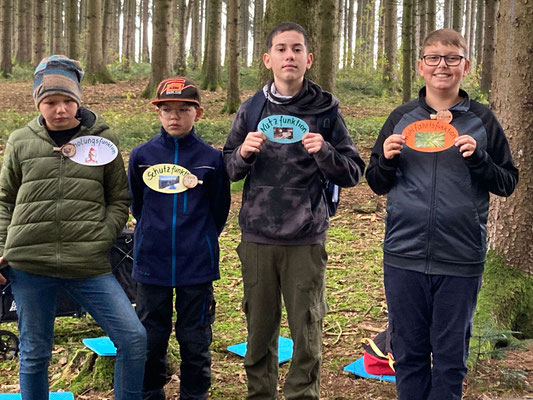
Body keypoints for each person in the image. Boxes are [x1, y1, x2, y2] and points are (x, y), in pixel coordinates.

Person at [365, 29, 519, 400]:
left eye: (452, 58)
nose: (442, 66)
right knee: (408, 355)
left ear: (466, 66)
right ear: (421, 66)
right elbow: (375, 182)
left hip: (460, 258)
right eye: (433, 58)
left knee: (450, 360)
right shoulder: (401, 118)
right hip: (404, 255)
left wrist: (479, 158)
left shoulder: (482, 120)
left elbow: (507, 182)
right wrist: (387, 160)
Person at [223, 22, 365, 400]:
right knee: (258, 331)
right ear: (268, 59)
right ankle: (260, 394)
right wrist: (243, 154)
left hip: (305, 237)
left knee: (306, 329)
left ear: (309, 59)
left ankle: (303, 395)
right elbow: (228, 169)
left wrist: (325, 152)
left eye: (297, 49)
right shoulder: (252, 109)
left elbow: (353, 172)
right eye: (282, 49)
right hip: (258, 236)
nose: (290, 56)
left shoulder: (326, 111)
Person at [0, 55, 147, 400]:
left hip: (87, 266)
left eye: (67, 100)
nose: (60, 109)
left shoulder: (102, 140)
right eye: (50, 101)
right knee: (35, 353)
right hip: (30, 266)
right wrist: (3, 248)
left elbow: (119, 198)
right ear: (38, 103)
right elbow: (5, 199)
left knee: (133, 338)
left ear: (78, 100)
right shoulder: (21, 141)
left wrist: (101, 237)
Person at [128, 77, 230, 400]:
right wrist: (153, 232)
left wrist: (199, 239)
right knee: (151, 337)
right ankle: (150, 392)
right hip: (151, 263)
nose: (174, 116)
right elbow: (137, 204)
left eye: (183, 109)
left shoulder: (211, 159)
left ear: (197, 113)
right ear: (157, 113)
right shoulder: (141, 156)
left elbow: (219, 208)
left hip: (196, 264)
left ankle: (194, 394)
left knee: (195, 338)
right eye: (167, 110)